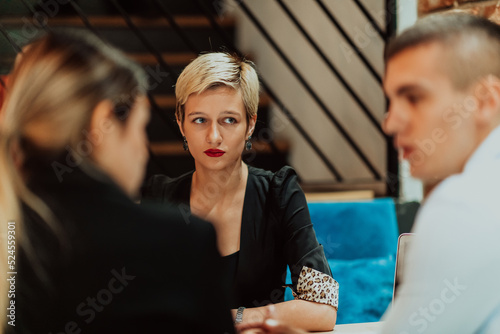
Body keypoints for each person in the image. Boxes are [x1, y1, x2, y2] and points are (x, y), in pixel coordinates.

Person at [0, 30, 234, 334]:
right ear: (103, 122)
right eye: (141, 127)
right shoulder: (178, 237)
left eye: (229, 119)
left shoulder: (13, 233)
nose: (142, 150)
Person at [141, 52, 338, 331]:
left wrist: (237, 318)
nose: (214, 136)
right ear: (180, 122)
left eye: (229, 120)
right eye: (199, 120)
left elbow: (323, 309)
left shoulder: (279, 193)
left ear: (251, 125)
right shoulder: (158, 196)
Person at [379, 13, 500, 333]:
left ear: (486, 100)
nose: (390, 122)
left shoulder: (464, 203)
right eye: (391, 100)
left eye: (414, 97)